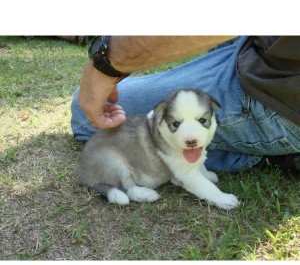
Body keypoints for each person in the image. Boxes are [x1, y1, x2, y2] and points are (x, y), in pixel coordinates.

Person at [71, 36, 300, 174]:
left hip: (278, 91)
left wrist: (105, 62)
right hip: (260, 48)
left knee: (85, 112)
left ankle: (263, 154)